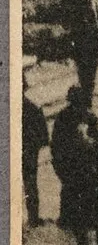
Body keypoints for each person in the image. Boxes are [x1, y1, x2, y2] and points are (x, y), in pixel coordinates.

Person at [52, 87, 98, 245]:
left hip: (78, 171)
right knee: (94, 207)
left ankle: (87, 243)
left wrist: (61, 170)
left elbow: (56, 147)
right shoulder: (84, 117)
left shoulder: (64, 118)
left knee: (83, 209)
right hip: (82, 170)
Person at [56, 0, 98, 101]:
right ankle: (87, 98)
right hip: (93, 32)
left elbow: (68, 17)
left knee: (84, 70)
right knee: (89, 70)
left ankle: (86, 99)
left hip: (82, 35)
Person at [22, 97, 49, 226]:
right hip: (29, 151)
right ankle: (33, 217)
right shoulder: (32, 107)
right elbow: (43, 135)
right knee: (30, 184)